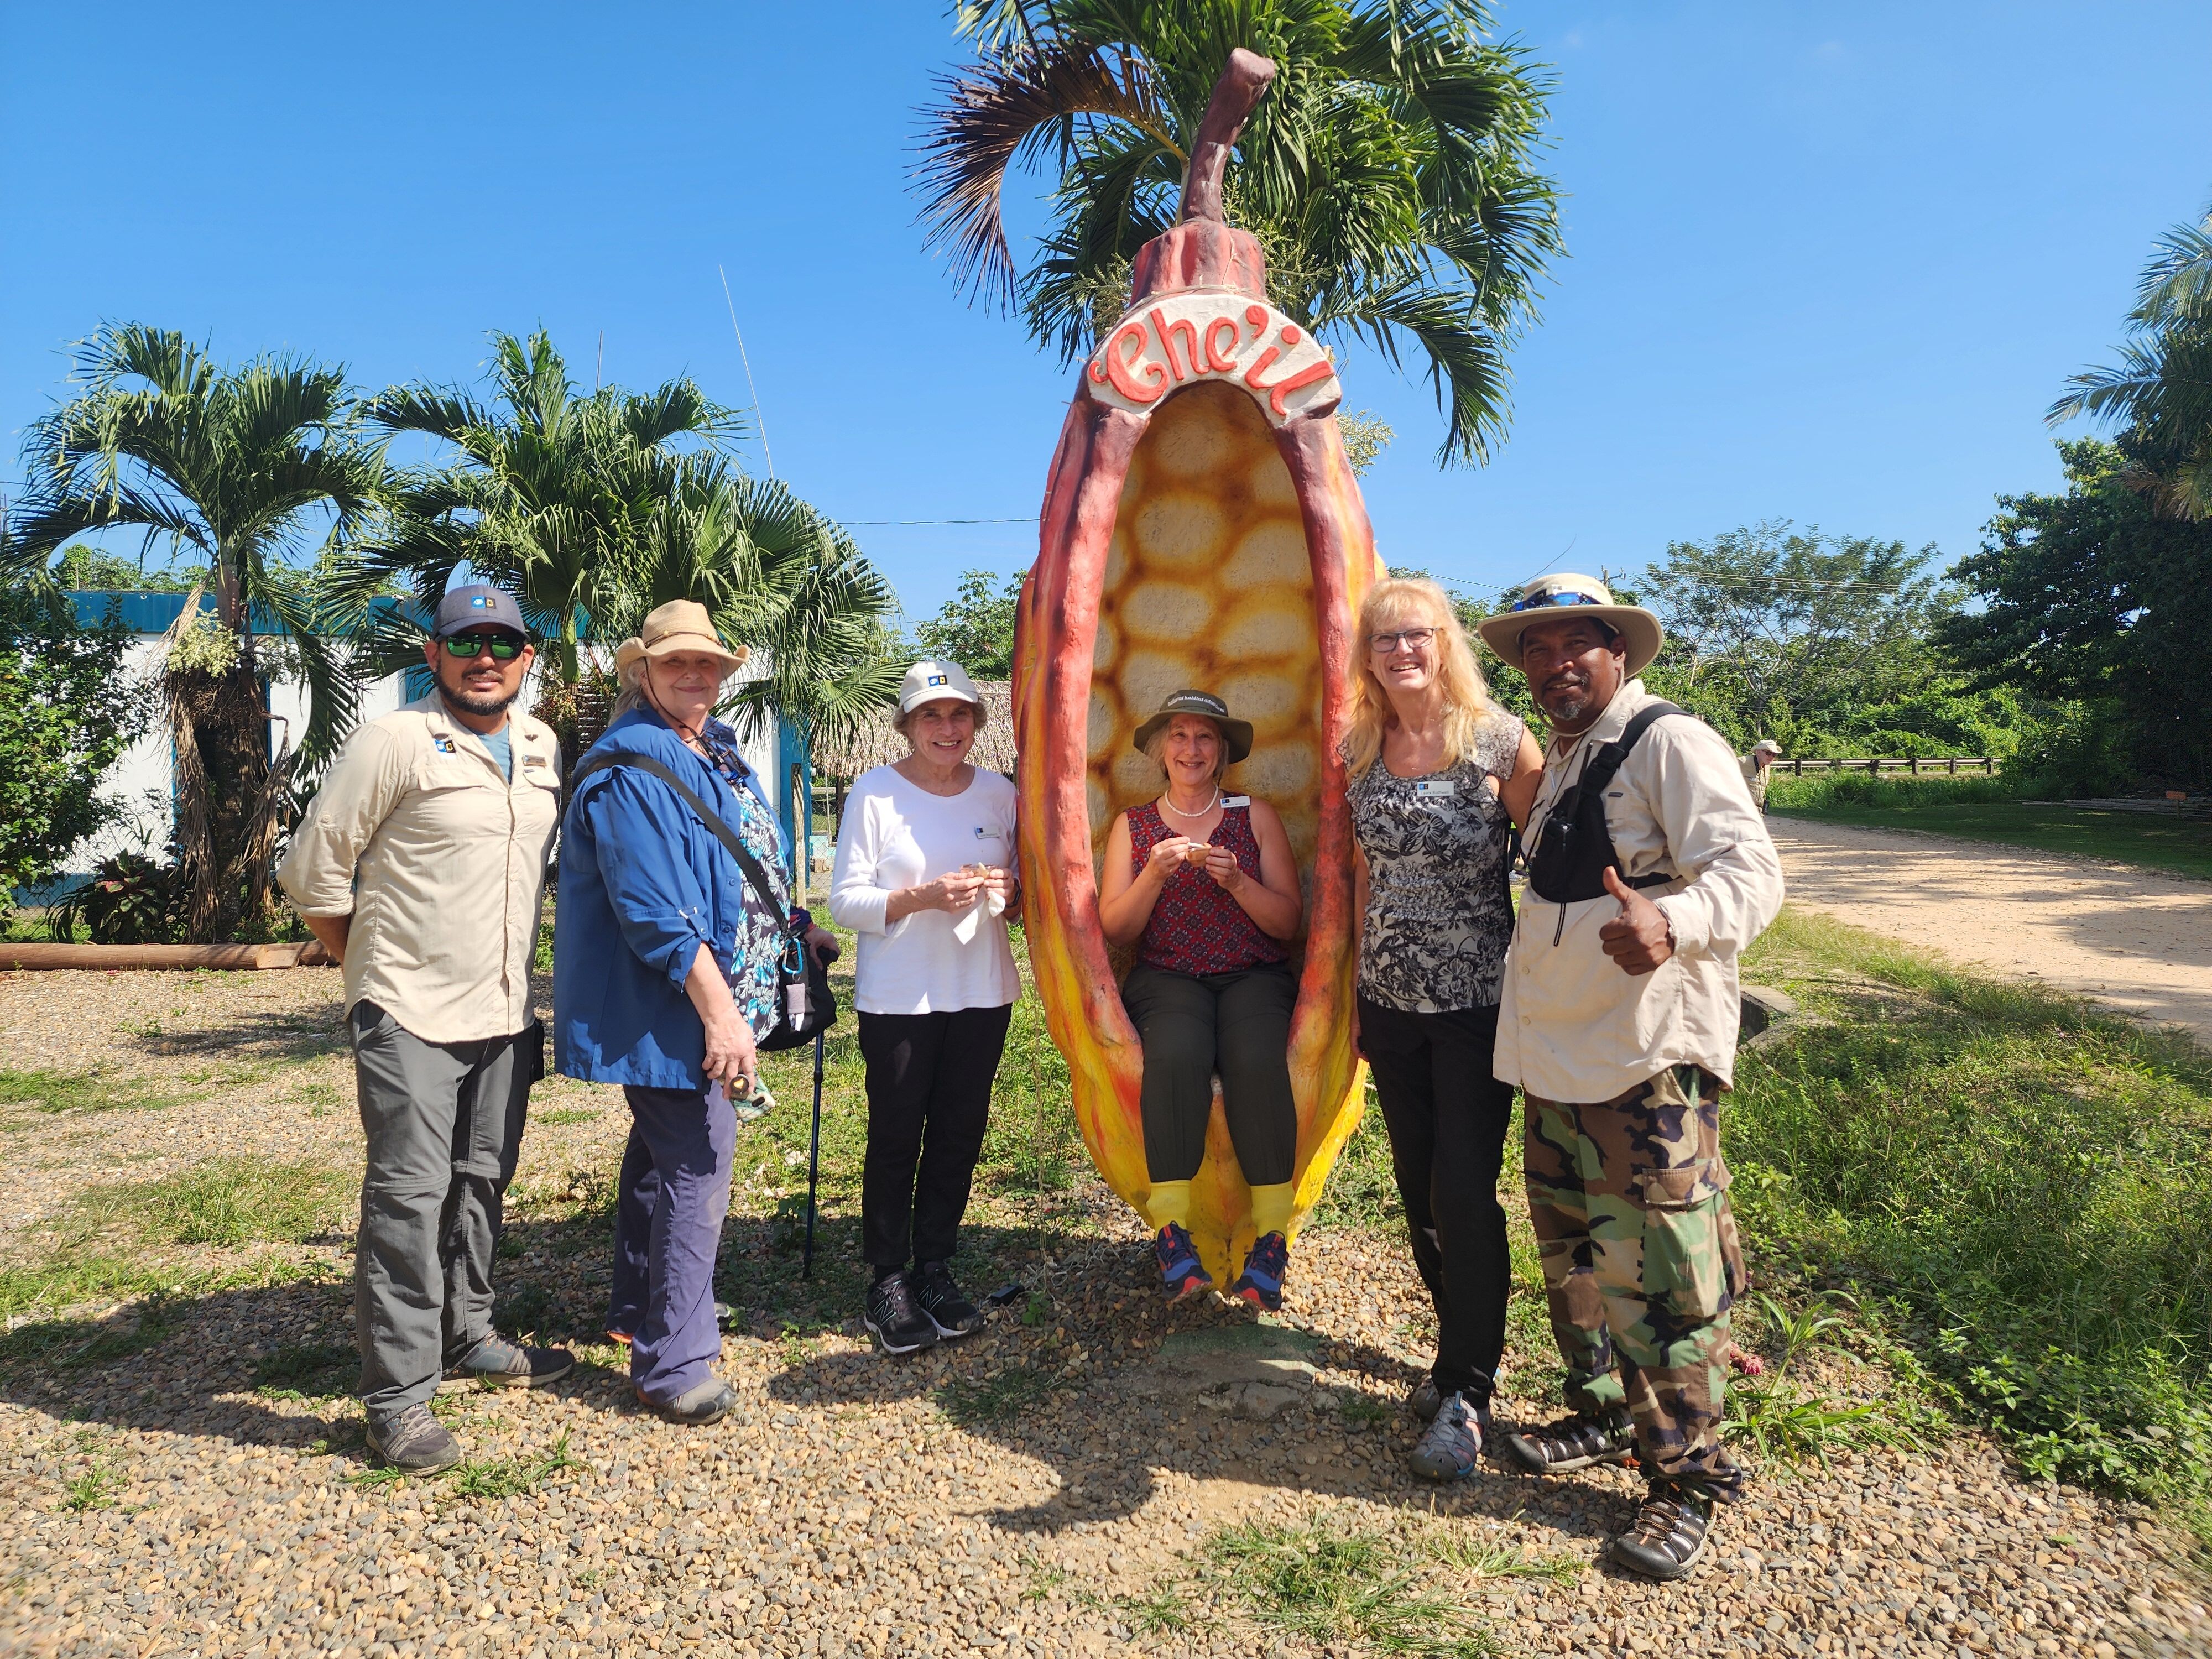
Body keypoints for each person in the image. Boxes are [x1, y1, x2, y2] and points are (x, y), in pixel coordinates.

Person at [1476, 573, 1783, 1582]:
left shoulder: (1669, 742)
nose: (1554, 664)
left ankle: (1688, 1479)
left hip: (1645, 1067)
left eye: (1576, 644)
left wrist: (1674, 920)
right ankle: (1606, 1413)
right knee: (1575, 1258)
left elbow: (1752, 872)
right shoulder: (1567, 755)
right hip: (1560, 1063)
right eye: (1536, 650)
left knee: (1663, 1275)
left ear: (1619, 652)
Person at [278, 583, 573, 1473]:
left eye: (503, 643)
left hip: (505, 1012)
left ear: (526, 658)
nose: (485, 657)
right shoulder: (394, 741)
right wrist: (367, 968)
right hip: (409, 1010)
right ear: (433, 654)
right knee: (408, 1201)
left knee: (482, 1182)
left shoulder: (540, 743)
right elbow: (311, 872)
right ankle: (399, 1400)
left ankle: (467, 1332)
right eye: (466, 641)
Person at [553, 599, 834, 1426]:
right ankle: (672, 1364)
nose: (693, 674)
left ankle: (639, 1307)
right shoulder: (633, 768)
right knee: (699, 1160)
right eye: (675, 661)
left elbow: (737, 862)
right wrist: (721, 1016)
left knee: (659, 1152)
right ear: (642, 671)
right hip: (673, 1003)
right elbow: (654, 913)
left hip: (711, 991)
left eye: (706, 663)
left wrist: (793, 924)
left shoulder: (711, 748)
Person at [1343, 577, 1544, 1483]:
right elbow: (1360, 878)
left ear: (1444, 642)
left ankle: (1468, 1389)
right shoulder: (1357, 747)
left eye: (1416, 635)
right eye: (1384, 639)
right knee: (1417, 1190)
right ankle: (1455, 1350)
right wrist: (1353, 989)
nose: (1401, 651)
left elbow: (1552, 860)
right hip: (1388, 1002)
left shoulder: (1498, 741)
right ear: (1367, 655)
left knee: (1463, 1190)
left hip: (1476, 1006)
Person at [828, 660, 1021, 1355]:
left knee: (958, 1133)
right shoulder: (875, 793)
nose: (947, 728)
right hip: (900, 996)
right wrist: (922, 897)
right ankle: (887, 1277)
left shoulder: (1000, 793)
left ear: (977, 722)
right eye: (930, 716)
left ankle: (935, 1266)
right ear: (907, 726)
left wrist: (1010, 888)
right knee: (896, 1134)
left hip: (981, 989)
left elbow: (1022, 895)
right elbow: (844, 901)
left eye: (959, 714)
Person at [1097, 690, 1305, 1308]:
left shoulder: (1255, 815)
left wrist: (1238, 881)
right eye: (1180, 736)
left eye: (1205, 737)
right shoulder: (1133, 826)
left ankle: (1271, 1238)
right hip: (1168, 977)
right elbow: (1117, 930)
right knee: (1176, 1053)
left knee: (1258, 1058)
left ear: (1222, 752)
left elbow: (1287, 923)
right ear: (1161, 750)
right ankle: (1171, 1232)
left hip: (1253, 975)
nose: (1191, 749)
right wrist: (1153, 875)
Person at [1739, 739, 1782, 812]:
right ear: (1758, 752)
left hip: (1757, 812)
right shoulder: (1743, 762)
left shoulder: (1767, 767)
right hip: (1741, 811)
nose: (1772, 757)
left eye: (1774, 754)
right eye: (1768, 753)